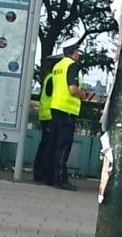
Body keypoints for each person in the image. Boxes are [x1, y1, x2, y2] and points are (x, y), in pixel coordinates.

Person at [49, 37, 87, 191]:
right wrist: (82, 95)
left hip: (55, 107)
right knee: (64, 145)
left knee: (56, 143)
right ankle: (60, 179)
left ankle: (53, 177)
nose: (79, 54)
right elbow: (72, 89)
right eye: (78, 51)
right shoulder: (72, 65)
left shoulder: (57, 66)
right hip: (67, 110)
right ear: (73, 52)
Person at [33, 54, 62, 185]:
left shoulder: (48, 78)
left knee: (44, 145)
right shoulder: (53, 79)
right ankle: (44, 174)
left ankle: (39, 173)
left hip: (45, 115)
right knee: (48, 147)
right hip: (50, 115)